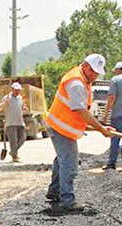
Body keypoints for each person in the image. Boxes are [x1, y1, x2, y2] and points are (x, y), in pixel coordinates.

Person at [45, 53, 112, 210]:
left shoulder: (83, 79)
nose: (95, 76)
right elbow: (81, 111)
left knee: (61, 160)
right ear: (85, 66)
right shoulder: (76, 83)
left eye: (97, 73)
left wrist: (97, 126)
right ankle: (67, 201)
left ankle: (54, 192)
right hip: (61, 128)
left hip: (61, 126)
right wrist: (101, 128)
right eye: (93, 72)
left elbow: (79, 112)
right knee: (69, 163)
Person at [0, 82, 28, 162]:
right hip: (10, 123)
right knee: (13, 141)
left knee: (23, 138)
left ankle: (13, 151)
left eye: (18, 90)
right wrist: (5, 103)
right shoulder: (7, 98)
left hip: (20, 122)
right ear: (12, 89)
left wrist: (24, 107)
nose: (17, 92)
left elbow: (21, 106)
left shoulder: (20, 98)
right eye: (16, 90)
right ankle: (14, 156)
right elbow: (0, 108)